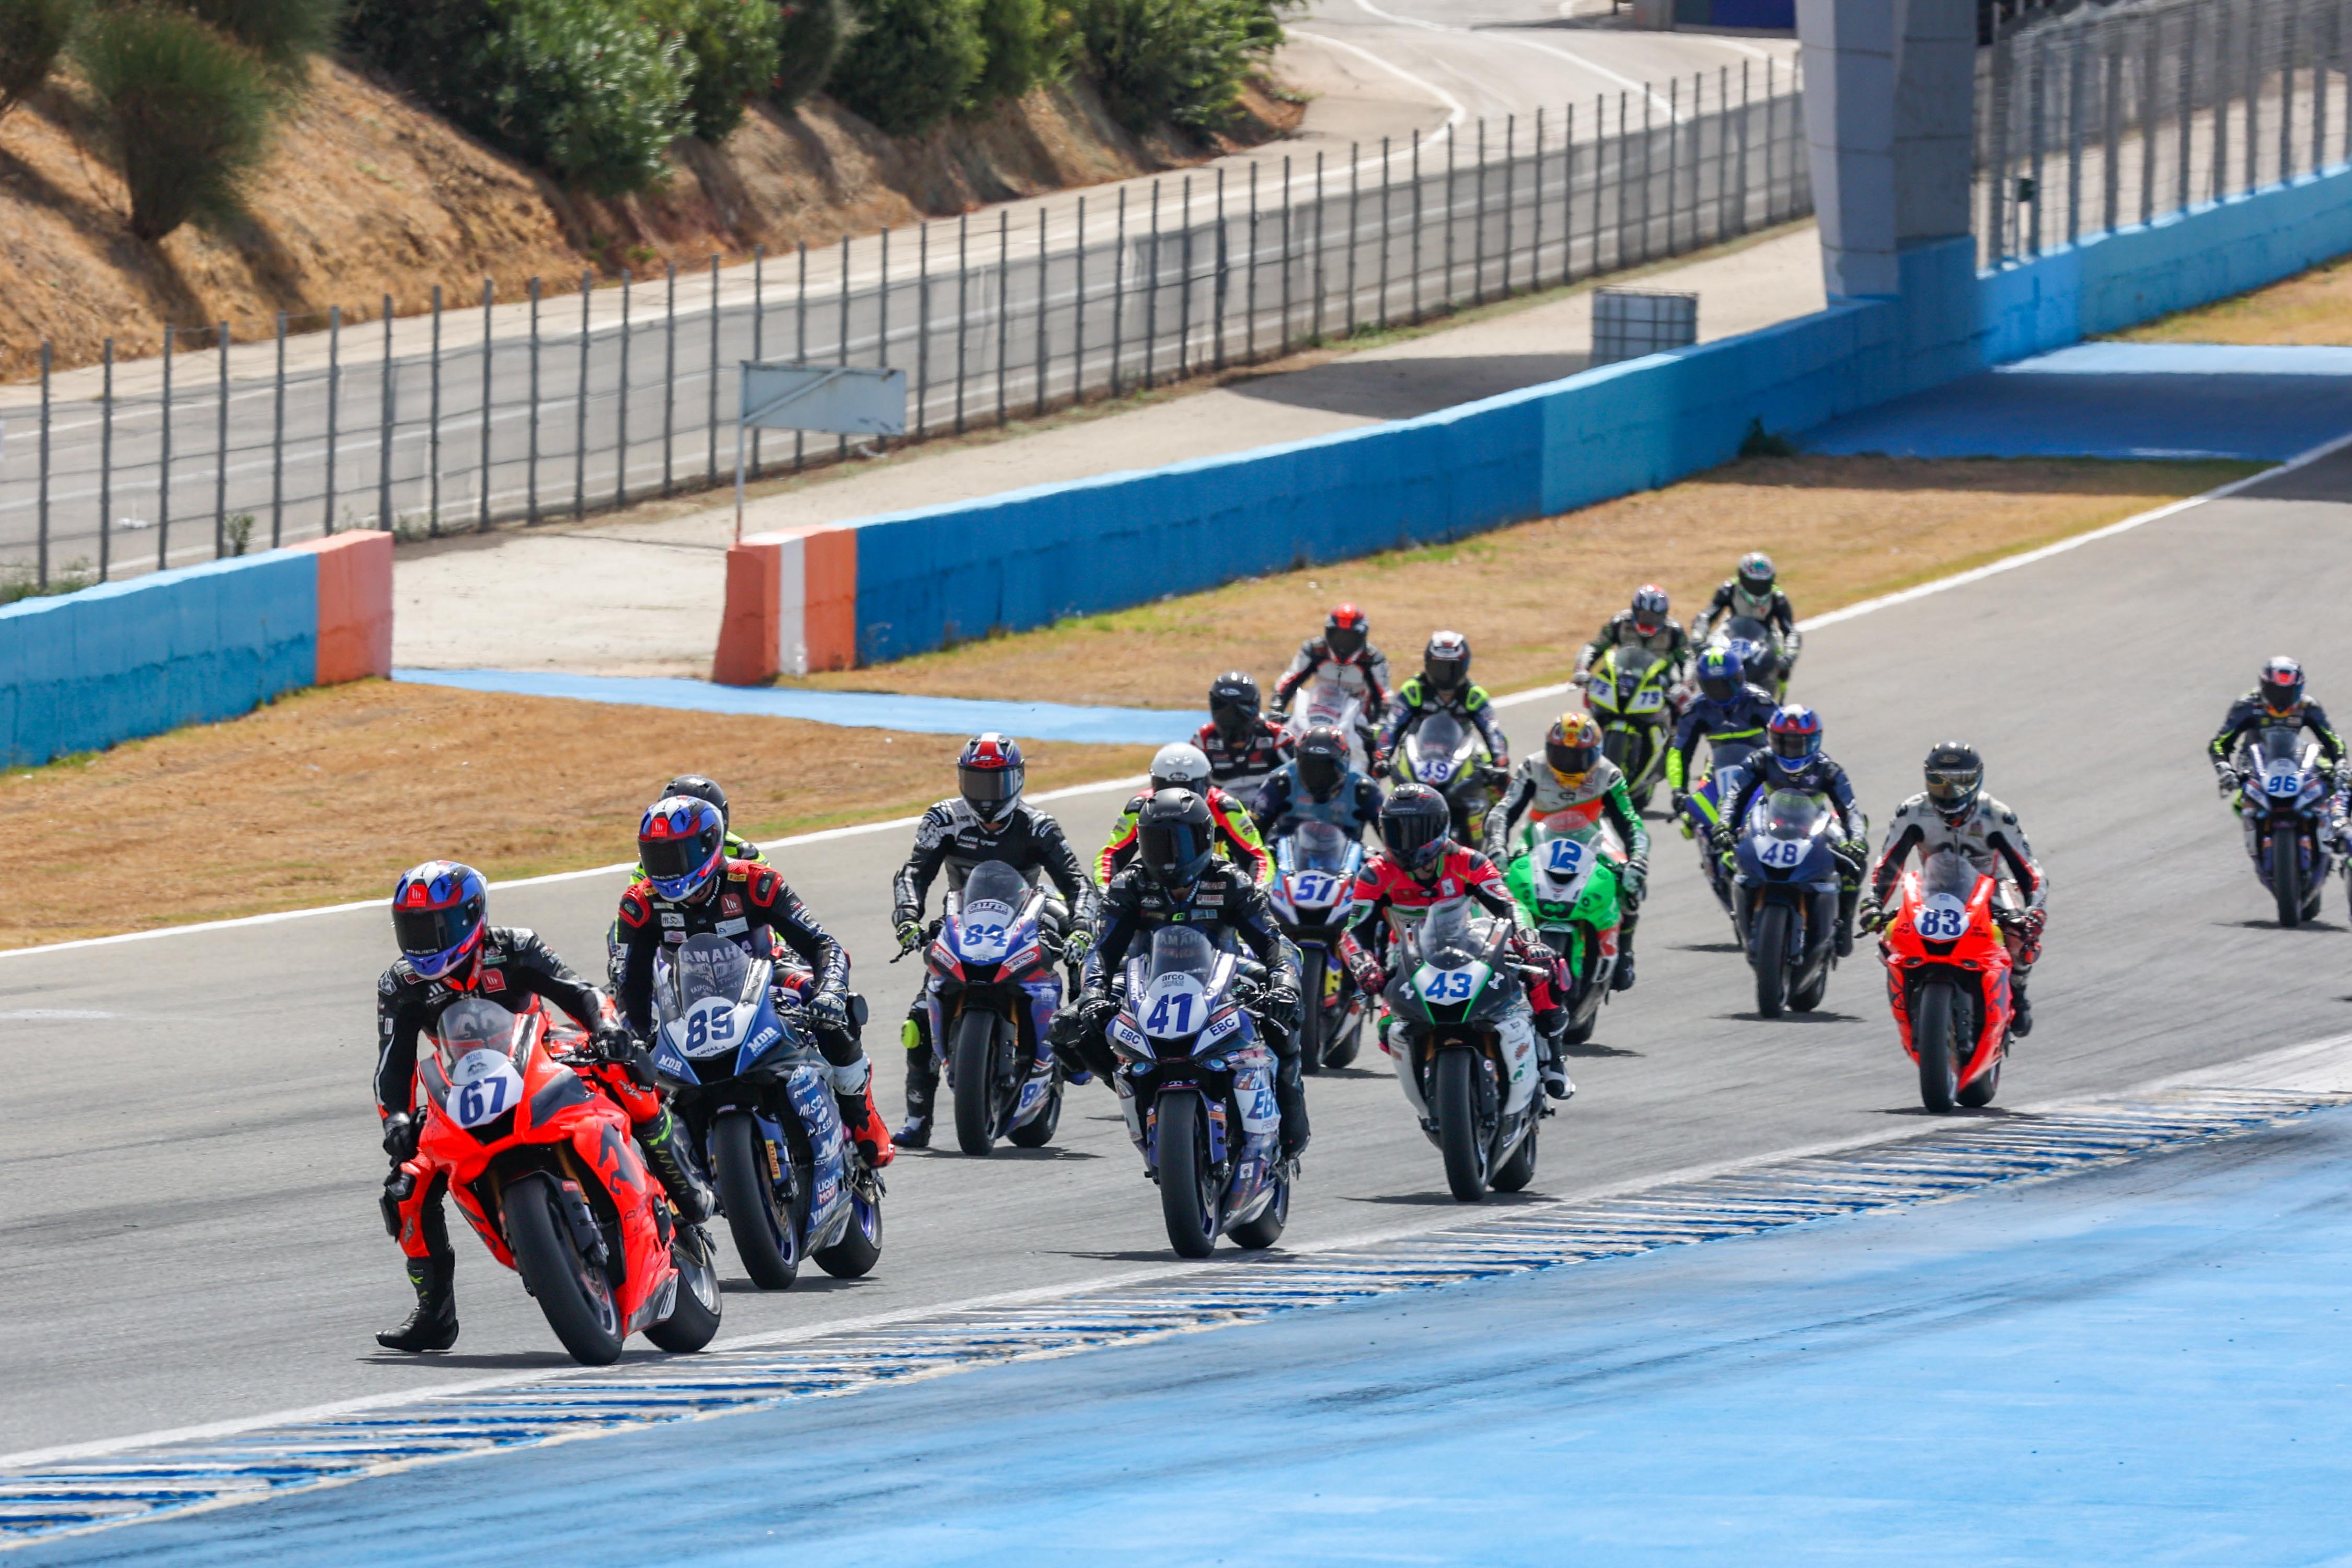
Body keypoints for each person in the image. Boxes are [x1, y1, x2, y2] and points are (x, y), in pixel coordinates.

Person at [374, 860, 713, 1353]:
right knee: (406, 1185)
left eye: (436, 927)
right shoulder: (399, 985)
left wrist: (608, 1029)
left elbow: (580, 993)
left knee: (625, 1075)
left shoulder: (515, 945)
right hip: (462, 1086)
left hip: (544, 1054)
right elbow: (393, 1064)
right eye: (413, 928)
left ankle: (683, 1186)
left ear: (473, 917)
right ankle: (435, 1312)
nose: (425, 940)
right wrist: (397, 1121)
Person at [615, 795, 893, 1164]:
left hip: (766, 973)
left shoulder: (755, 883)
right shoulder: (640, 904)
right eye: (656, 857)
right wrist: (633, 1036)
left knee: (833, 1009)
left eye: (675, 855)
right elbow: (630, 985)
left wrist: (829, 991)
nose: (664, 869)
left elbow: (823, 945)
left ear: (708, 845)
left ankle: (861, 1115)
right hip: (686, 993)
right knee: (628, 1070)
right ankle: (678, 1179)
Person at [1053, 791, 1311, 1157]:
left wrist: (1284, 981)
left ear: (1205, 838)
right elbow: (1103, 949)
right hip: (1145, 977)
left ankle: (1290, 1110)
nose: (1169, 854)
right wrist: (1092, 992)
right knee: (1067, 1026)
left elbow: (1274, 941)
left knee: (1285, 1018)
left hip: (1226, 972)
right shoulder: (1130, 884)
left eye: (1180, 842)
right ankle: (1132, 1083)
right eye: (1157, 842)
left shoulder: (1230, 880)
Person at [889, 734, 1101, 1148]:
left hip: (1029, 912)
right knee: (918, 1017)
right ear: (961, 779)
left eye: (996, 785)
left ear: (1017, 780)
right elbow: (914, 873)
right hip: (965, 918)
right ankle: (918, 1120)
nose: (986, 797)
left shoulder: (1038, 825)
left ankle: (1081, 1033)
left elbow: (1078, 883)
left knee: (1083, 944)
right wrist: (908, 919)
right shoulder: (943, 819)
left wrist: (1081, 926)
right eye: (977, 783)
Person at [1344, 785, 1575, 1100]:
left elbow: (1509, 905)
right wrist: (1364, 965)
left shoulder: (1469, 861)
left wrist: (1528, 941)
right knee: (1389, 1033)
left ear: (1439, 828)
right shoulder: (1375, 874)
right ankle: (1431, 1089)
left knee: (1545, 969)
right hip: (1407, 959)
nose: (1404, 840)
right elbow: (1353, 932)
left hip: (1474, 945)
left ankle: (1553, 1059)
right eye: (1396, 830)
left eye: (1414, 830)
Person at [1860, 743, 2048, 1038]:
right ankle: (1909, 996)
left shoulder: (1997, 816)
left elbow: (2029, 870)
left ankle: (2019, 992)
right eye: (1940, 781)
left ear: (1976, 780)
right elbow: (1888, 862)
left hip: (1992, 886)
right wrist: (1873, 901)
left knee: (2019, 937)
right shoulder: (1912, 812)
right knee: (1892, 934)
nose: (1950, 792)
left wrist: (2034, 909)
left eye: (1960, 782)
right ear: (1927, 780)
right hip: (1934, 884)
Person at [1483, 713, 1651, 990]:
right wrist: (1497, 846)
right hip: (1538, 836)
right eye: (1561, 755)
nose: (1569, 765)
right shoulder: (1533, 767)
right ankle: (1500, 952)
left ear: (1595, 755)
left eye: (1578, 758)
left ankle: (1625, 954)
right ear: (1549, 752)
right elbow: (1504, 811)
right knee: (1502, 883)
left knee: (1631, 885)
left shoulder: (1609, 775)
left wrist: (1637, 860)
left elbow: (1630, 822)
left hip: (1594, 838)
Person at [1713, 705, 1871, 956]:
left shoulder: (1828, 769)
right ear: (1770, 738)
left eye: (1798, 744)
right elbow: (1734, 797)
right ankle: (1743, 916)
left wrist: (1857, 841)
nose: (1790, 750)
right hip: (1768, 819)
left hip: (1816, 822)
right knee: (1729, 860)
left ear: (1814, 741)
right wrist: (1724, 825)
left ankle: (1844, 924)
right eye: (1783, 742)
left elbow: (1851, 810)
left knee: (1854, 864)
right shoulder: (1759, 761)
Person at [605, 774, 766, 989]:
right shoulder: (651, 866)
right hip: (679, 954)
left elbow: (770, 909)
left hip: (740, 949)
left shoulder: (745, 855)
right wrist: (621, 961)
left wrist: (779, 946)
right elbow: (630, 914)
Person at [2209, 658, 2348, 860]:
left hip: (2294, 756)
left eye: (2289, 692)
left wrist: (2341, 765)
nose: (2283, 699)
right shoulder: (2247, 705)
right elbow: (2219, 743)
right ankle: (2262, 843)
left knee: (2337, 781)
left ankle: (2335, 831)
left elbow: (2333, 741)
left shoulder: (2307, 706)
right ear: (2265, 686)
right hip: (2254, 761)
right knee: (2241, 804)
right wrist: (2225, 770)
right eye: (2277, 692)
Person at [1098, 742, 1272, 887]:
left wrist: (1259, 889)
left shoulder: (1225, 808)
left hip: (1214, 886)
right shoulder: (1140, 807)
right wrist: (1104, 888)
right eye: (1168, 787)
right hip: (1155, 886)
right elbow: (1111, 854)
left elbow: (1258, 856)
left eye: (1188, 788)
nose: (1177, 797)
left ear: (1206, 783)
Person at [1666, 647, 1779, 831]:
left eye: (1728, 683)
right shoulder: (1696, 711)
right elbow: (1679, 752)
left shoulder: (1759, 702)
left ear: (1740, 677)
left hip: (1761, 766)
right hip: (1718, 767)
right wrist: (1679, 791)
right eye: (1714, 686)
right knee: (1692, 822)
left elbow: (1784, 739)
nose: (1722, 691)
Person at [1375, 630, 1511, 771]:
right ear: (1428, 664)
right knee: (1395, 786)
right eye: (1439, 668)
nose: (1446, 675)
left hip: (1461, 759)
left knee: (1496, 782)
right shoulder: (1414, 690)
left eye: (1452, 668)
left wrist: (1500, 762)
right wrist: (1382, 757)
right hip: (1417, 760)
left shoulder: (1474, 695)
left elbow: (1493, 732)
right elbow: (1392, 726)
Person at [1251, 724, 1385, 843]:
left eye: (1326, 768)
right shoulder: (1281, 782)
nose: (1317, 775)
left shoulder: (1364, 789)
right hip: (1286, 858)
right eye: (1310, 767)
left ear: (1345, 762)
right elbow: (1253, 832)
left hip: (1345, 863)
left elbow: (1389, 837)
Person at [1693, 552, 1802, 694]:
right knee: (1707, 657)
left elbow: (1790, 630)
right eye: (1754, 583)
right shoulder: (1729, 589)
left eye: (1763, 583)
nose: (1759, 588)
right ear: (1742, 578)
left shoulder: (1777, 597)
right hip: (1732, 630)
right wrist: (1698, 637)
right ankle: (1705, 694)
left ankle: (1778, 698)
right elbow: (1707, 615)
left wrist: (1788, 656)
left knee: (1782, 666)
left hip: (1766, 634)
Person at [1272, 603, 1393, 724]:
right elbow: (1289, 680)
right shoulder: (1315, 650)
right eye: (1338, 636)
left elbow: (1385, 695)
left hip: (1358, 724)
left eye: (1350, 638)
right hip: (1317, 718)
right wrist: (1276, 709)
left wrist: (1381, 722)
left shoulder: (1372, 658)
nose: (1343, 644)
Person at [1195, 671, 1295, 790]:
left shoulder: (1278, 738)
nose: (1231, 717)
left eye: (1240, 709)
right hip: (1220, 806)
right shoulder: (1203, 739)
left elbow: (1300, 778)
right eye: (1222, 707)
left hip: (1265, 806)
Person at [1576, 584, 1691, 685]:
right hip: (1623, 680)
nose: (1649, 620)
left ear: (1664, 615)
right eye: (1644, 615)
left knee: (1680, 697)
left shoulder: (1674, 631)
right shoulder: (1619, 623)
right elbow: (1594, 647)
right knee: (1600, 681)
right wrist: (1582, 669)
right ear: (1635, 611)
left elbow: (1688, 660)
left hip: (1661, 684)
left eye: (1655, 617)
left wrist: (1687, 683)